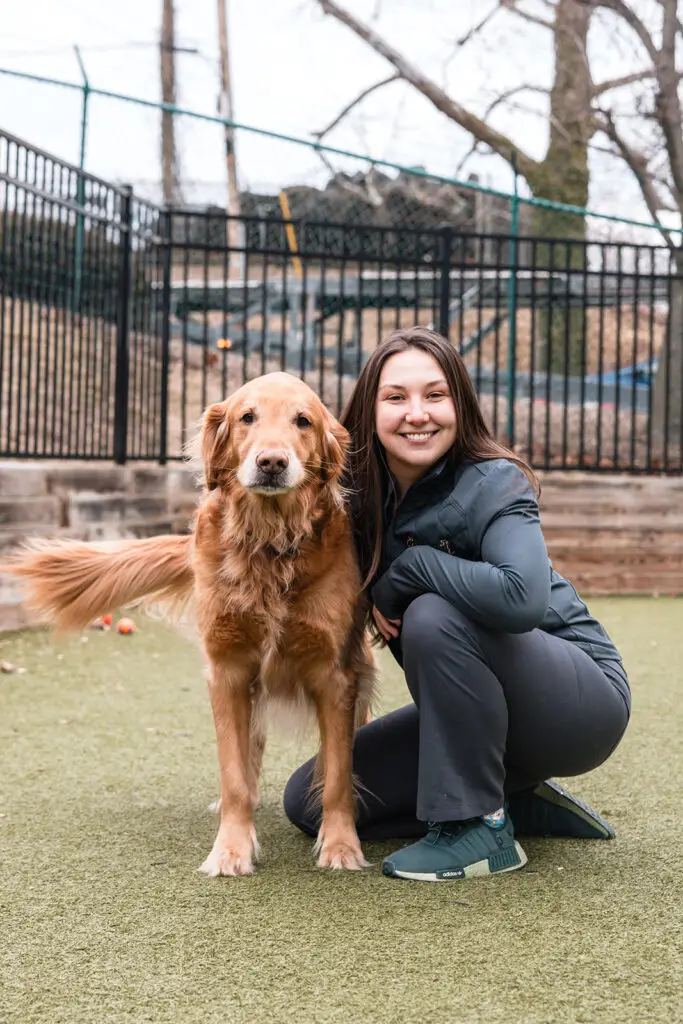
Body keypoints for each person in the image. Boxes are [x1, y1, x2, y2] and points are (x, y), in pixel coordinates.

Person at [284, 327, 630, 882]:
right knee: (311, 799)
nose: (417, 413)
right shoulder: (352, 500)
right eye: (396, 398)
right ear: (368, 411)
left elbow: (522, 597)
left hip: (580, 704)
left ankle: (480, 826)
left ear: (459, 405)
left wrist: (411, 571)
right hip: (482, 719)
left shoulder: (495, 481)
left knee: (432, 612)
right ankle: (517, 797)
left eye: (435, 395)